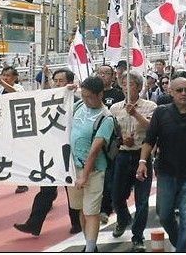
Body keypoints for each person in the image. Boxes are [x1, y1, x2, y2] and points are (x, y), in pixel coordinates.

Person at [136, 77, 186, 252]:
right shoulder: (161, 113)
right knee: (164, 214)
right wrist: (142, 162)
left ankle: (184, 250)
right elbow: (149, 140)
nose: (184, 94)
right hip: (166, 172)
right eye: (179, 90)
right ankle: (179, 241)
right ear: (171, 92)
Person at [14, 68, 82, 236]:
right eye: (55, 80)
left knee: (71, 190)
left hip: (69, 152)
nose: (58, 84)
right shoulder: (47, 100)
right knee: (46, 190)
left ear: (70, 82)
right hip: (51, 152)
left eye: (61, 81)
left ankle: (77, 224)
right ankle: (34, 224)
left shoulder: (77, 101)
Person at [110, 72, 157, 252]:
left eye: (130, 84)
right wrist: (122, 140)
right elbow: (112, 134)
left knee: (142, 200)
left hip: (142, 157)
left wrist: (135, 113)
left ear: (138, 87)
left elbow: (152, 129)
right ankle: (122, 219)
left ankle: (138, 236)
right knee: (116, 196)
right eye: (123, 84)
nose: (126, 87)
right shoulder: (114, 108)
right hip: (122, 156)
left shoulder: (150, 106)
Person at [68, 76, 115, 252]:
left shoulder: (106, 118)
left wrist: (85, 175)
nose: (86, 100)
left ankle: (90, 248)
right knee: (80, 208)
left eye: (90, 97)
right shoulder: (80, 105)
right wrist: (67, 90)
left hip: (93, 171)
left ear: (100, 94)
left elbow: (94, 151)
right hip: (74, 167)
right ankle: (89, 244)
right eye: (84, 95)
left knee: (91, 211)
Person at [96, 64, 124, 224]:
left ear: (113, 76)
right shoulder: (93, 94)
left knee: (110, 177)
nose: (102, 76)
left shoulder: (118, 94)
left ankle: (106, 209)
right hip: (95, 140)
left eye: (106, 73)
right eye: (99, 73)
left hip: (112, 142)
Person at [0, 66, 28, 195]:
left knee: (16, 154)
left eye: (8, 75)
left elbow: (15, 94)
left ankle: (22, 181)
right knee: (1, 152)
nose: (5, 78)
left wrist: (2, 83)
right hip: (3, 126)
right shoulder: (0, 91)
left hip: (16, 125)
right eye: (3, 75)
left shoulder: (19, 88)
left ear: (15, 77)